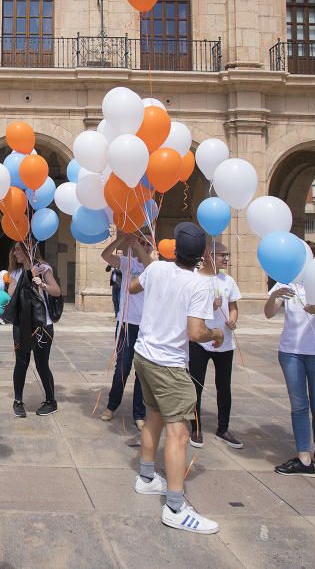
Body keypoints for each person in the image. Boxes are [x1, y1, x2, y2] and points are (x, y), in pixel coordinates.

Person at [131, 222, 223, 535]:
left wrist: (152, 263)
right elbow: (196, 332)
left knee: (153, 416)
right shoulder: (200, 284)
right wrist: (217, 333)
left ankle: (146, 477)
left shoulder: (156, 269)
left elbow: (132, 287)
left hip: (144, 356)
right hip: (170, 366)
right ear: (201, 255)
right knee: (179, 434)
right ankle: (174, 506)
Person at [264, 241, 315, 479]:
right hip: (291, 351)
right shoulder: (286, 281)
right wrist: (275, 296)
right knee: (299, 406)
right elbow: (269, 313)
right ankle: (304, 457)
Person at [188, 242, 243, 450]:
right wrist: (211, 306)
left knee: (224, 386)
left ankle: (223, 427)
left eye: (227, 255)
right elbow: (188, 308)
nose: (226, 258)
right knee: (196, 386)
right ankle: (196, 427)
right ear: (209, 256)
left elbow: (234, 307)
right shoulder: (194, 278)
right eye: (222, 255)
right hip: (200, 340)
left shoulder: (228, 280)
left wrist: (233, 320)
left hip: (225, 342)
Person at [6, 240, 62, 417]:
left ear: (26, 250)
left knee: (42, 363)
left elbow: (57, 291)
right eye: (14, 250)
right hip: (22, 325)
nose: (15, 254)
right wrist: (27, 276)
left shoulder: (44, 268)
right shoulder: (15, 272)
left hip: (42, 324)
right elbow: (11, 295)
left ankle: (51, 401)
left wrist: (43, 285)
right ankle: (18, 401)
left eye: (17, 250)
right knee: (21, 363)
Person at [99, 233, 147, 429]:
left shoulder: (155, 266)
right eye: (141, 241)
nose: (143, 245)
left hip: (147, 326)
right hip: (127, 323)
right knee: (122, 367)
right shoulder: (129, 263)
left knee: (143, 371)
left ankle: (139, 413)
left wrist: (142, 249)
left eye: (146, 242)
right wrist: (122, 240)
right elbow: (105, 255)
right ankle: (112, 405)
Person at [107, 251, 123, 318]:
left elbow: (122, 272)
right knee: (114, 299)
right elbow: (107, 270)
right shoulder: (114, 261)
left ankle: (120, 315)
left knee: (119, 300)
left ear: (122, 254)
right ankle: (116, 315)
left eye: (120, 253)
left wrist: (115, 270)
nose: (119, 254)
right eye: (118, 253)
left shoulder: (123, 262)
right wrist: (109, 265)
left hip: (120, 284)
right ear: (116, 254)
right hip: (114, 284)